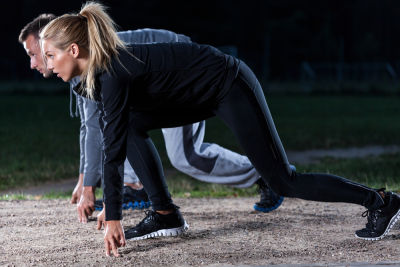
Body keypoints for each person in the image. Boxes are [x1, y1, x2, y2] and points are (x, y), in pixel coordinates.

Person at [40, 2, 400, 257]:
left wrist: (114, 215)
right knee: (131, 124)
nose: (47, 64)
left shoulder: (112, 74)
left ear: (74, 49)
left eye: (51, 56)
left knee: (283, 180)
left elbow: (113, 150)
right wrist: (112, 204)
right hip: (196, 96)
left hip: (229, 85)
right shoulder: (97, 75)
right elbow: (112, 137)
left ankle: (382, 202)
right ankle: (165, 213)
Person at [19, 15, 291, 222]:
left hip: (179, 72)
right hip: (152, 84)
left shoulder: (88, 59)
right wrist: (84, 179)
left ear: (65, 44)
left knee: (186, 156)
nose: (34, 62)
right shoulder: (76, 62)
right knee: (121, 122)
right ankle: (135, 185)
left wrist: (90, 186)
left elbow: (95, 129)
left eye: (36, 53)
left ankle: (264, 174)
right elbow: (90, 127)